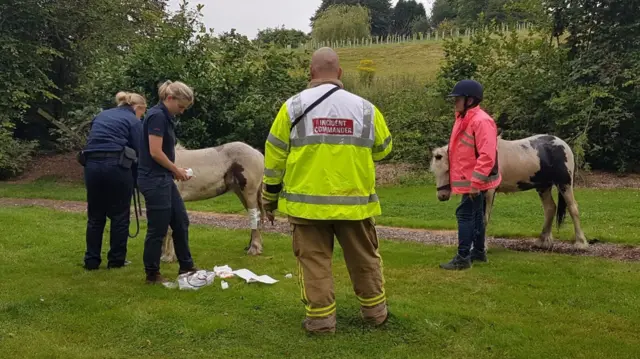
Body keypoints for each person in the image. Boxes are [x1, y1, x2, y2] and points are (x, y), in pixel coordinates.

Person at [262, 47, 393, 334]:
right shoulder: (365, 108)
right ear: (340, 74)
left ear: (311, 73)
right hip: (354, 204)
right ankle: (376, 315)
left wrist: (269, 199)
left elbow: (274, 159)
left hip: (307, 207)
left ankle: (321, 323)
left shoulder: (292, 108)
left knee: (314, 263)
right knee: (364, 259)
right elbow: (384, 150)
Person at [137, 80, 198, 284]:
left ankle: (187, 267)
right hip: (153, 179)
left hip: (163, 178)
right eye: (180, 106)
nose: (181, 111)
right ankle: (152, 274)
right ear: (169, 98)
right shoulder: (156, 116)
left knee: (180, 221)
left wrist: (172, 172)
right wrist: (176, 170)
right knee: (158, 227)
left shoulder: (166, 116)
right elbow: (155, 152)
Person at [80, 91, 146, 270]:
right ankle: (116, 261)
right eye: (143, 112)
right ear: (137, 108)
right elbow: (139, 149)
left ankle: (91, 260)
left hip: (91, 165)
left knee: (95, 216)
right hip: (116, 166)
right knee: (119, 215)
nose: (142, 116)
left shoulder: (101, 115)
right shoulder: (133, 120)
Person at [439, 79, 501, 270]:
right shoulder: (463, 118)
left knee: (464, 214)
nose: (454, 102)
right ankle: (479, 252)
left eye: (458, 98)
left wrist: (476, 182)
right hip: (469, 178)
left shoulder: (481, 121)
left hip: (473, 180)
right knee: (476, 215)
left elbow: (487, 154)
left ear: (470, 100)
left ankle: (463, 257)